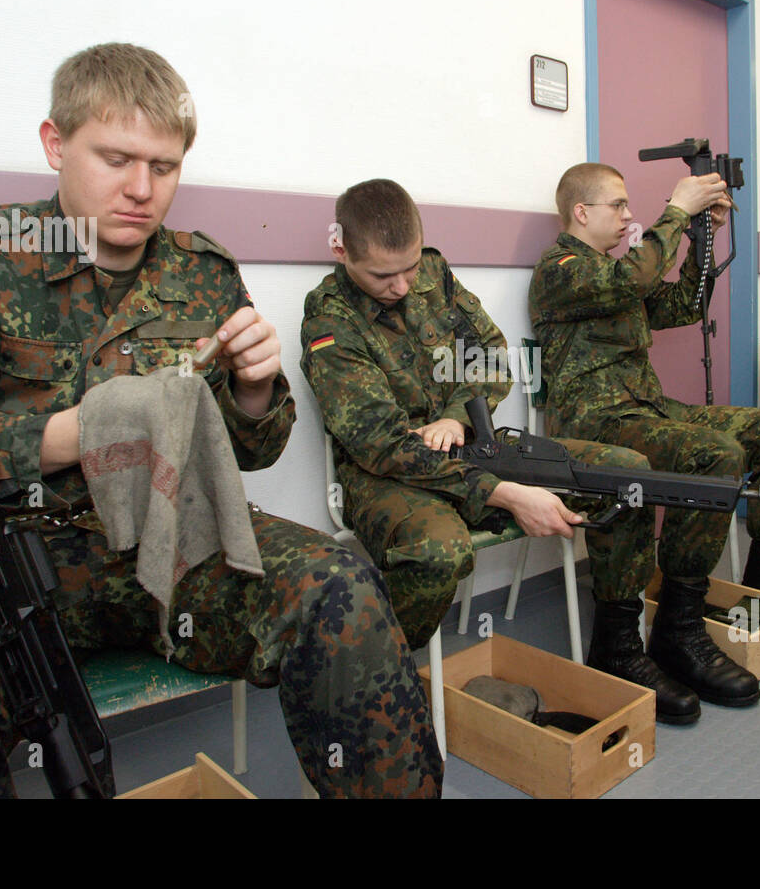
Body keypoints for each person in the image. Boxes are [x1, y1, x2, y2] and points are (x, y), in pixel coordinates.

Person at [0, 44, 441, 799]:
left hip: (177, 540)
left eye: (165, 166)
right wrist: (71, 434)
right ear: (56, 144)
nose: (141, 189)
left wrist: (256, 392)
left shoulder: (204, 271)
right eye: (116, 158)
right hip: (17, 548)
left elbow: (252, 450)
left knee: (342, 588)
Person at [300, 177, 735, 725]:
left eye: (410, 268)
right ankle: (375, 676)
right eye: (383, 276)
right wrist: (506, 494)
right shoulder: (329, 319)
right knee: (438, 553)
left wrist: (457, 415)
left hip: (470, 445)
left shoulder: (433, 273)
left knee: (626, 473)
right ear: (340, 250)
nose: (404, 286)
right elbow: (380, 443)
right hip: (387, 473)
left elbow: (493, 353)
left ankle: (620, 649)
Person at [529, 162, 760, 662]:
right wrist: (677, 209)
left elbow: (682, 305)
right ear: (581, 211)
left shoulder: (616, 274)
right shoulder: (561, 270)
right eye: (618, 205)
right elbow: (632, 278)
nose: (628, 215)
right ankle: (679, 622)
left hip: (647, 410)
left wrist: (703, 238)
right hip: (594, 424)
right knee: (713, 454)